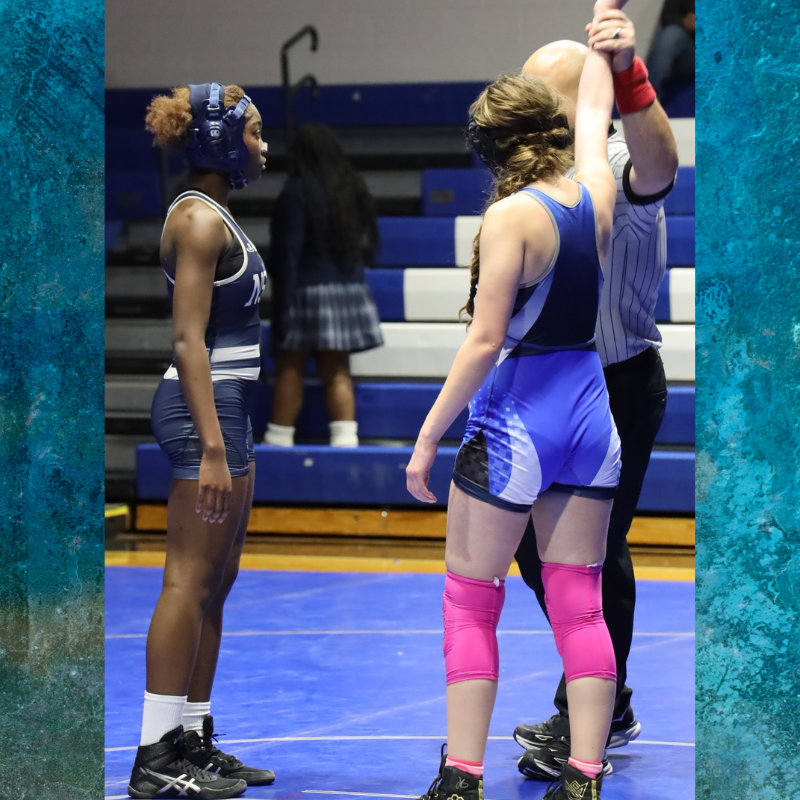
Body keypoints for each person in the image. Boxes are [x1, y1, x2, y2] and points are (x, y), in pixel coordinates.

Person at [407, 23, 623, 800]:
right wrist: (607, 37)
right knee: (580, 604)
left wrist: (427, 438)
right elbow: (594, 114)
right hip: (591, 415)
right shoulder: (595, 195)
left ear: (492, 148)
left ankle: (462, 778)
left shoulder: (510, 217)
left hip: (519, 421)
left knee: (470, 603)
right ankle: (585, 776)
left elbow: (485, 341)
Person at [513, 2, 680, 783]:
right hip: (553, 381)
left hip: (617, 381)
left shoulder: (617, 159)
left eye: (539, 99)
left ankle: (595, 709)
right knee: (530, 545)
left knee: (593, 552)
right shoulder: (532, 180)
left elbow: (662, 162)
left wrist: (628, 72)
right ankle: (604, 691)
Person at [127, 82, 274, 799]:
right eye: (253, 132)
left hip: (226, 409)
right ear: (220, 141)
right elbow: (187, 339)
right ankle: (154, 755)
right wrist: (213, 447)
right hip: (202, 414)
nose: (263, 144)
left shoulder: (216, 215)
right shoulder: (196, 220)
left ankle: (190, 735)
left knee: (215, 583)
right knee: (188, 580)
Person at [263, 122, 383, 449]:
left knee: (290, 366)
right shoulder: (352, 188)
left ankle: (278, 442)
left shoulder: (296, 192)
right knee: (338, 369)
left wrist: (281, 312)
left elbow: (288, 254)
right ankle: (345, 442)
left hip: (307, 289)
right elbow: (369, 246)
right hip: (349, 288)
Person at [646, 0, 695, 103]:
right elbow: (668, 16)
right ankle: (648, 100)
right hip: (690, 52)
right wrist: (685, 22)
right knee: (671, 34)